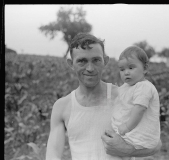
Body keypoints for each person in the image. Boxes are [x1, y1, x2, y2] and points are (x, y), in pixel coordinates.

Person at [45, 32, 161, 160]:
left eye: (96, 60)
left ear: (105, 61)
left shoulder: (122, 96)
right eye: (82, 61)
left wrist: (127, 150)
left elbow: (156, 144)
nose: (90, 68)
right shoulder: (62, 106)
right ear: (71, 63)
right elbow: (53, 154)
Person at [111, 46, 161, 160]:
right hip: (130, 136)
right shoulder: (127, 86)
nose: (126, 72)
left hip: (139, 137)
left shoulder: (144, 87)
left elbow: (139, 109)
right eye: (122, 69)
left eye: (131, 67)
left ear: (145, 68)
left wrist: (127, 127)